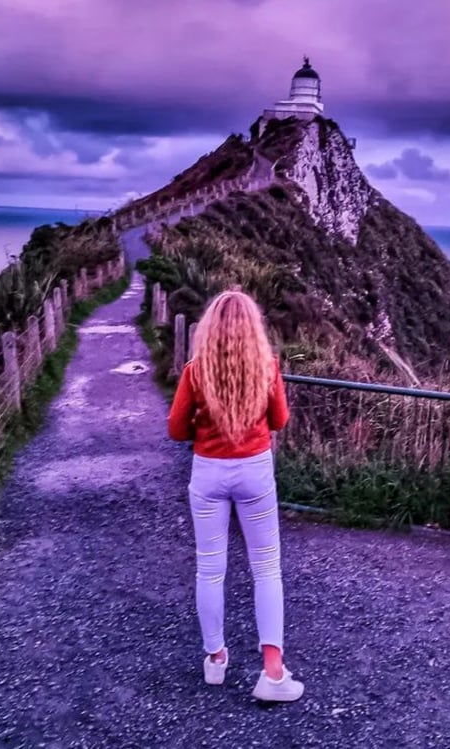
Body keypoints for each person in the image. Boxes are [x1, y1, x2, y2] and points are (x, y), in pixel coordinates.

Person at [167, 289, 304, 703]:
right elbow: (279, 419)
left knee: (210, 569)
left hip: (208, 471)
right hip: (255, 472)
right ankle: (273, 673)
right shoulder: (267, 367)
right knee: (266, 569)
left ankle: (215, 658)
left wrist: (200, 423)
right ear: (253, 330)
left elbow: (175, 430)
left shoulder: (196, 371)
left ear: (209, 329)